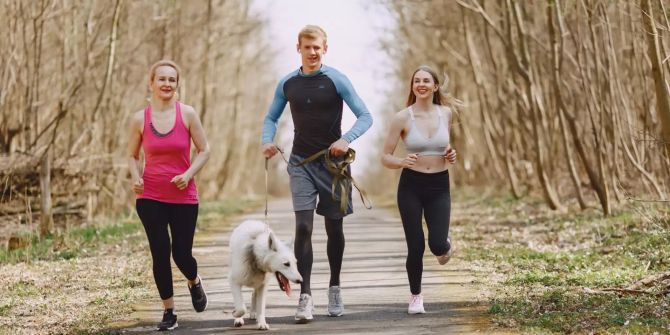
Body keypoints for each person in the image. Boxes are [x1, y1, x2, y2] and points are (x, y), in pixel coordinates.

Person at [261, 25, 373, 322]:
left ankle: (334, 286)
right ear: (298, 47)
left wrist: (345, 139)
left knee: (334, 229)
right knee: (304, 228)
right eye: (307, 47)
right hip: (300, 164)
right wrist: (267, 141)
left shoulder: (336, 79)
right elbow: (271, 117)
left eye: (317, 48)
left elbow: (366, 116)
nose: (312, 52)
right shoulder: (288, 83)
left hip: (334, 167)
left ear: (325, 49)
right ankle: (305, 296)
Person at [127, 60, 211, 331]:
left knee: (181, 254)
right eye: (161, 79)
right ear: (151, 83)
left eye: (171, 80)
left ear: (177, 85)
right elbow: (131, 155)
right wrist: (135, 176)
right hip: (150, 195)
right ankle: (169, 312)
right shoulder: (140, 119)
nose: (166, 84)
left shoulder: (187, 114)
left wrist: (188, 175)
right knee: (160, 252)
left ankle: (194, 281)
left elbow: (205, 150)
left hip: (184, 196)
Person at [381, 65, 458, 315]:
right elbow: (385, 156)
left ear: (435, 86)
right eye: (417, 81)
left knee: (436, 245)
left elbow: (448, 147)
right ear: (412, 86)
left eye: (426, 80)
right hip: (411, 186)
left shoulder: (447, 113)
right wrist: (402, 162)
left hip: (439, 185)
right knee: (416, 246)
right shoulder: (402, 117)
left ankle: (444, 245)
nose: (421, 84)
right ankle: (416, 297)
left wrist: (451, 153)